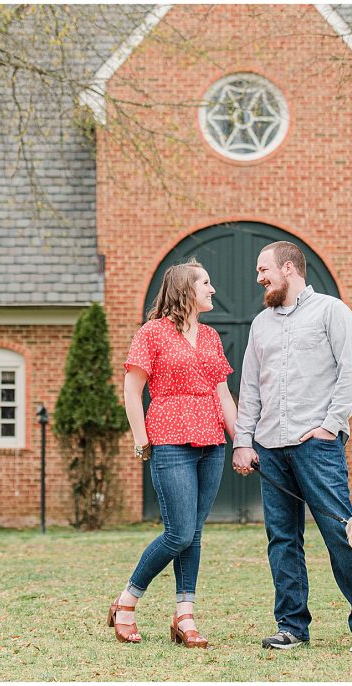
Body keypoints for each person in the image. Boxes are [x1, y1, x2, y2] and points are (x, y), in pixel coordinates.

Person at [231, 240, 352, 653]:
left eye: (264, 270)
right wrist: (244, 441)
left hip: (317, 446)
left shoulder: (332, 312)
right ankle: (292, 626)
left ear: (289, 268)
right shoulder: (261, 324)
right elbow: (250, 388)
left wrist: (330, 427)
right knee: (282, 538)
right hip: (271, 447)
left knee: (342, 533)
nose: (259, 278)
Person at [108, 259, 237, 648]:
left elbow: (222, 393)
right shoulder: (151, 333)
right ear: (185, 289)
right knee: (178, 532)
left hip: (211, 442)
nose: (213, 290)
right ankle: (126, 602)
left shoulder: (212, 337)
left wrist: (241, 440)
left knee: (194, 533)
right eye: (206, 283)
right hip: (169, 439)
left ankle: (185, 616)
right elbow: (133, 389)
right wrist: (140, 437)